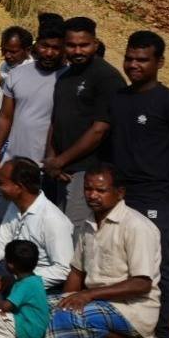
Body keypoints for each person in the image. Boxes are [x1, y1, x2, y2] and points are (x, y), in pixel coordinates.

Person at [40, 165, 161, 338]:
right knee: (40, 307)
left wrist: (88, 295)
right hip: (96, 302)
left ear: (120, 192)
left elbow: (141, 284)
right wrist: (67, 298)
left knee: (67, 317)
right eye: (88, 189)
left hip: (130, 308)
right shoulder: (88, 223)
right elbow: (77, 271)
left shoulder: (137, 226)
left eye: (100, 190)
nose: (92, 195)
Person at [108, 30, 169, 338]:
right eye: (129, 58)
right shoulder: (119, 98)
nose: (134, 65)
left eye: (142, 60)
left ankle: (161, 335)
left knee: (158, 260)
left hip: (158, 195)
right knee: (122, 260)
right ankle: (128, 328)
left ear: (159, 62)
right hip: (122, 193)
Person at [0, 158, 73, 310]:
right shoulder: (15, 207)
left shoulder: (52, 219)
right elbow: (1, 244)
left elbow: (62, 269)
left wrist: (18, 281)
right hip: (13, 271)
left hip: (39, 282)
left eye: (1, 183)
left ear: (19, 187)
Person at [45, 16, 125, 224]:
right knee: (59, 230)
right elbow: (56, 120)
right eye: (71, 45)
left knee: (78, 231)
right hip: (61, 171)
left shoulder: (106, 77)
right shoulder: (65, 76)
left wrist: (60, 161)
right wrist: (51, 159)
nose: (77, 51)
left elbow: (99, 129)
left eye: (84, 45)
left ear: (95, 44)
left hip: (88, 173)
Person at [0, 21, 64, 173]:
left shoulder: (68, 79)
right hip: (12, 161)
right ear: (37, 45)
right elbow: (5, 117)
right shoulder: (15, 74)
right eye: (44, 46)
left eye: (55, 48)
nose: (49, 53)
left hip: (47, 167)